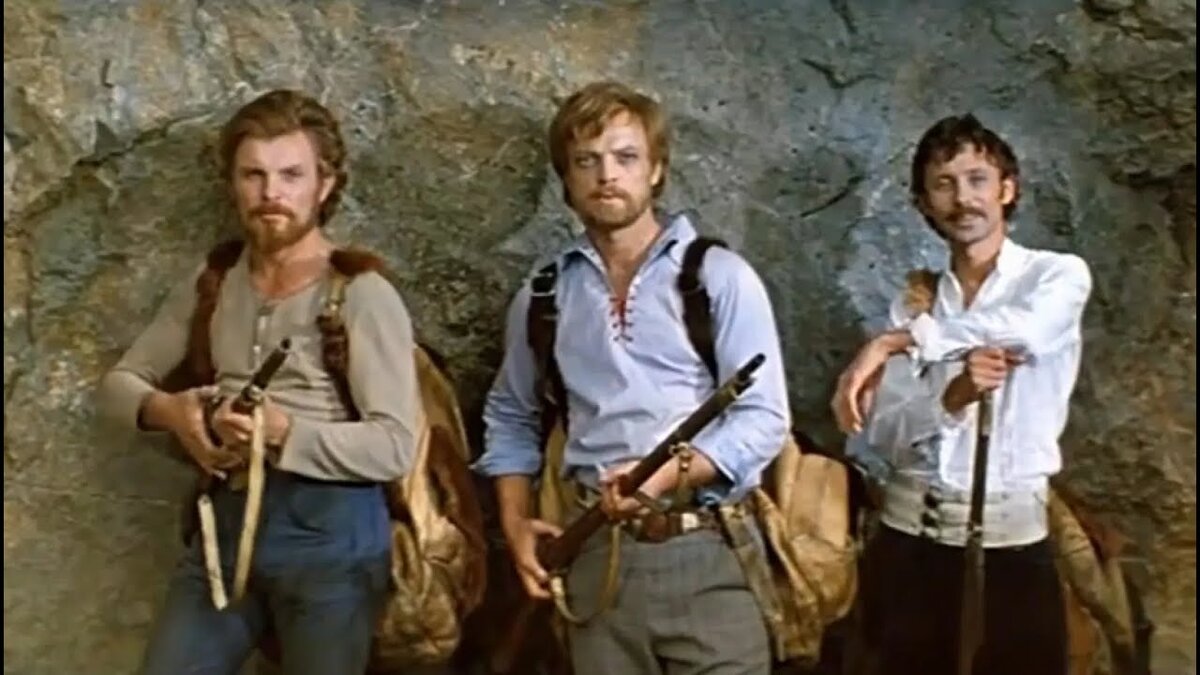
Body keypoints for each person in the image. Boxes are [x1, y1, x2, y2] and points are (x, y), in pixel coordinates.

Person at [96, 89, 422, 675]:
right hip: (224, 532)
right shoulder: (215, 280)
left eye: (291, 175)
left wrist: (284, 433)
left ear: (324, 184)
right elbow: (118, 385)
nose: (272, 193)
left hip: (332, 540)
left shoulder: (361, 293)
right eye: (254, 175)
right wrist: (175, 414)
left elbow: (395, 446)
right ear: (233, 184)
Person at [473, 80, 791, 675]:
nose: (607, 175)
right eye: (586, 161)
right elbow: (511, 415)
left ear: (656, 169)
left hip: (710, 546)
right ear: (566, 180)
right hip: (598, 553)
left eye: (625, 157)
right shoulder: (544, 294)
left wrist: (666, 473)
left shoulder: (719, 277)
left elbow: (766, 416)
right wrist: (515, 523)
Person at [831, 113, 1093, 675]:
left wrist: (900, 341)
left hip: (1010, 546)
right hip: (911, 544)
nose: (963, 198)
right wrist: (952, 397)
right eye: (943, 184)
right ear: (923, 203)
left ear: (1007, 189)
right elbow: (886, 436)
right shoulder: (916, 300)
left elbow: (1026, 331)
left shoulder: (1056, 276)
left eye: (977, 179)